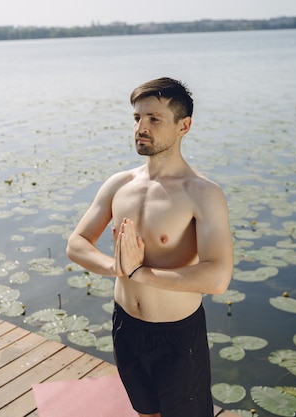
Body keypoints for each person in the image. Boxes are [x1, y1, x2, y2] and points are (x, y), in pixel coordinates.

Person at [66, 77, 234, 417]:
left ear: (183, 126)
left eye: (154, 119)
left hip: (177, 336)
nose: (141, 127)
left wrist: (141, 273)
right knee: (145, 413)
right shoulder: (120, 184)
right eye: (137, 118)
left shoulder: (202, 193)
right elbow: (76, 244)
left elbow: (217, 277)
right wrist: (117, 268)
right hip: (126, 326)